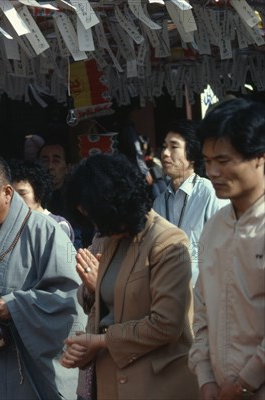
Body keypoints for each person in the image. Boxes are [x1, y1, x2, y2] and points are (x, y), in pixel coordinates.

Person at [60, 154, 198, 400]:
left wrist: (100, 342)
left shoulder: (167, 241)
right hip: (110, 381)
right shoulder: (107, 238)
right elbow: (106, 303)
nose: (93, 223)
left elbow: (167, 325)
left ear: (112, 204)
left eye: (94, 215)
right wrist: (90, 295)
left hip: (157, 384)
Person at [0, 154, 83, 399]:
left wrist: (15, 307)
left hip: (30, 366)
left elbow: (71, 298)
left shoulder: (45, 231)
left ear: (7, 192)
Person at [189, 98, 265, 400]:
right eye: (207, 162)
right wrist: (206, 378)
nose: (213, 172)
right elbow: (202, 310)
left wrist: (244, 382)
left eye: (223, 161)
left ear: (259, 157)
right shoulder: (214, 227)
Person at [153, 120, 227, 286]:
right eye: (164, 146)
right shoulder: (158, 203)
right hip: (168, 295)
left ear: (192, 153)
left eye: (174, 146)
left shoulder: (209, 194)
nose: (165, 153)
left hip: (204, 297)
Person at [39, 142, 92, 248]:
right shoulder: (33, 199)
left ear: (67, 168)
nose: (50, 166)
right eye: (45, 161)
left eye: (56, 161)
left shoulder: (77, 202)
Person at [9, 159, 75, 244]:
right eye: (12, 195)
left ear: (39, 192)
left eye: (22, 194)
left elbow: (64, 256)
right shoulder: (11, 226)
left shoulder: (58, 224)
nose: (16, 199)